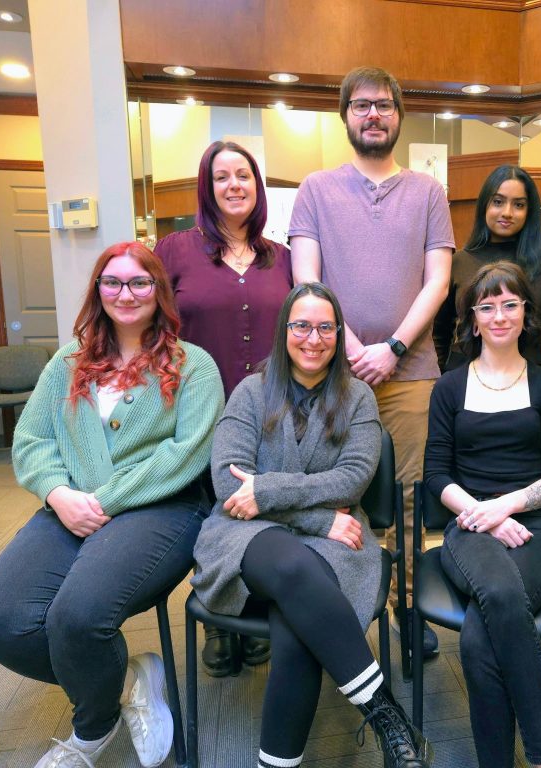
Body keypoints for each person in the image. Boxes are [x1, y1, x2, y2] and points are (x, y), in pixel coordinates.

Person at [0, 242, 224, 768]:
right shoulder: (68, 362)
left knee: (78, 617)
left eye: (139, 282)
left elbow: (187, 454)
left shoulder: (193, 365)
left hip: (162, 510)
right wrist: (57, 494)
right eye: (113, 282)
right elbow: (32, 440)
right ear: (98, 290)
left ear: (158, 290)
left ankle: (91, 732)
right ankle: (126, 680)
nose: (125, 293)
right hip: (68, 506)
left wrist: (101, 499)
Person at [192, 282, 431, 768]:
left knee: (296, 625)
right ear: (284, 330)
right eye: (301, 326)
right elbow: (227, 484)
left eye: (325, 327)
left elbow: (352, 479)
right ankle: (386, 714)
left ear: (339, 334)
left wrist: (265, 491)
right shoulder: (250, 392)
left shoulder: (358, 397)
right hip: (244, 537)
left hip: (336, 544)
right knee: (292, 566)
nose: (313, 338)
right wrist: (318, 518)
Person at [289, 65, 454, 660]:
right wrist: (353, 348)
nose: (373, 114)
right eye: (361, 105)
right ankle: (340, 608)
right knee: (332, 493)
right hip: (332, 373)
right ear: (346, 116)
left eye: (384, 104)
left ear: (399, 115)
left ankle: (406, 607)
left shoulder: (428, 192)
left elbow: (438, 281)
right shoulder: (316, 189)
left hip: (413, 373)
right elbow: (306, 279)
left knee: (409, 499)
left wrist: (394, 349)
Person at [424, 262, 541, 768]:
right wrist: (482, 513)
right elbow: (436, 475)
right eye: (487, 307)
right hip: (467, 526)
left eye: (510, 304)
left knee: (478, 637)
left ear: (526, 312)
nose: (500, 316)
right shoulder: (449, 387)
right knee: (502, 595)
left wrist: (507, 505)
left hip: (532, 527)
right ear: (473, 318)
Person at [156, 140, 292, 675]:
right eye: (221, 177)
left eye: (244, 175)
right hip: (199, 411)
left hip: (273, 410)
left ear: (257, 186)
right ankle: (218, 616)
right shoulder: (175, 251)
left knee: (264, 509)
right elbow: (148, 322)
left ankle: (255, 603)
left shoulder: (281, 257)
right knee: (212, 514)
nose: (234, 185)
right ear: (206, 188)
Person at [434, 164, 541, 383]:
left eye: (519, 205)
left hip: (530, 382)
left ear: (529, 211)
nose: (507, 212)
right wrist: (440, 383)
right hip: (464, 380)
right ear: (484, 205)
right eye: (498, 202)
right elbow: (439, 334)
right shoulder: (457, 262)